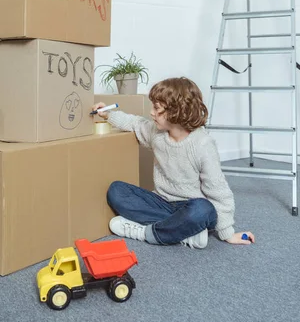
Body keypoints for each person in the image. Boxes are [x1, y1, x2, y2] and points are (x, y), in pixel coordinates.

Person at [93, 77, 255, 250]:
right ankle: (185, 232)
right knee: (117, 190)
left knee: (203, 210)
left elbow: (218, 190)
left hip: (191, 205)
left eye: (157, 108)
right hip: (161, 201)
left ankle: (147, 233)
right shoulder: (157, 133)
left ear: (176, 111)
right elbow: (135, 123)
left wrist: (227, 233)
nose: (152, 113)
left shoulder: (202, 144)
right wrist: (108, 114)